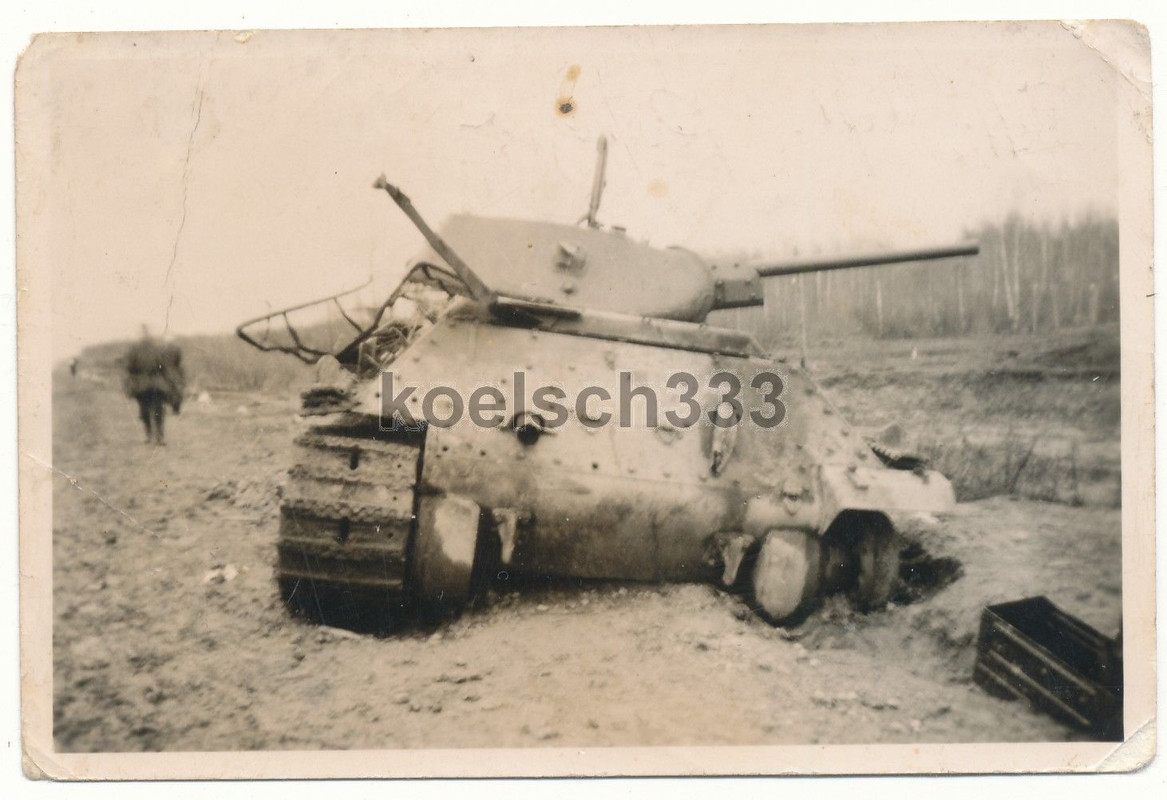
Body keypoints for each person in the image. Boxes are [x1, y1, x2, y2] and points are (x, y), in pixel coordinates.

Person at [123, 330, 185, 445]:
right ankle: (159, 437)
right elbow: (163, 366)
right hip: (157, 385)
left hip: (142, 385)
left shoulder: (134, 350)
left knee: (145, 411)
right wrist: (168, 381)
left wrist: (132, 380)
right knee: (159, 411)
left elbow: (130, 368)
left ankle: (149, 436)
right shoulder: (157, 350)